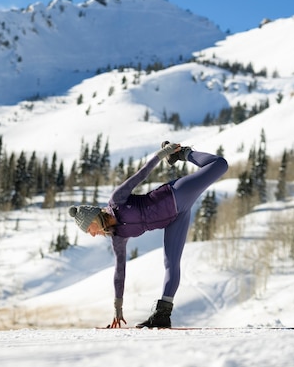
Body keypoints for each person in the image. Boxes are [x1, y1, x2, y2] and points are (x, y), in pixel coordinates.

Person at [68, 141, 228, 328]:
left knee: (220, 165)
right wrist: (117, 308)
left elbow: (141, 174)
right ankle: (162, 314)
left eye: (89, 230)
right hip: (175, 218)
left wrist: (163, 154)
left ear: (93, 219)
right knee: (171, 262)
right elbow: (119, 272)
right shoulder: (117, 236)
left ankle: (183, 154)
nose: (92, 234)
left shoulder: (116, 200)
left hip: (175, 195)